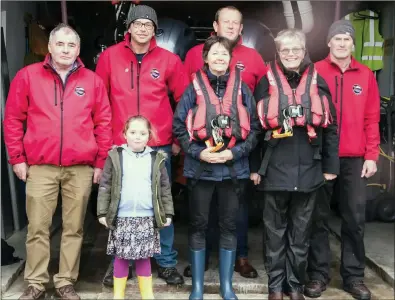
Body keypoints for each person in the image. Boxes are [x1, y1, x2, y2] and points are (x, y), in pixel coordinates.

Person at [3, 23, 112, 300]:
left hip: (80, 167)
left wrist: (101, 162)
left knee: (73, 228)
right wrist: (16, 158)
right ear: (49, 47)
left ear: (78, 49)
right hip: (40, 166)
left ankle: (65, 281)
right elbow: (13, 119)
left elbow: (104, 123)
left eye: (71, 45)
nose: (65, 50)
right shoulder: (28, 76)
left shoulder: (92, 80)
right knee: (37, 226)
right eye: (60, 44)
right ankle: (36, 282)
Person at [95, 4, 188, 286]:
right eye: (138, 24)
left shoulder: (169, 60)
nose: (143, 28)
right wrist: (107, 142)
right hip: (120, 146)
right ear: (129, 28)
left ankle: (166, 262)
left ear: (154, 29)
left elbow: (184, 101)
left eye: (148, 24)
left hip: (157, 145)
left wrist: (175, 139)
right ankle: (120, 261)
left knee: (159, 203)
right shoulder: (110, 57)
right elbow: (99, 102)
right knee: (120, 203)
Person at [251, 29, 339, 300]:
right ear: (278, 53)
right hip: (273, 168)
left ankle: (295, 285)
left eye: (296, 50)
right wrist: (255, 168)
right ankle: (276, 287)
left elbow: (331, 127)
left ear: (304, 51)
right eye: (285, 50)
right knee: (274, 233)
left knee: (301, 234)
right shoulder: (266, 83)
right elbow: (254, 128)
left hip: (309, 169)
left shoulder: (318, 81)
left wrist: (330, 165)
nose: (291, 54)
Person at [182, 5, 267, 279]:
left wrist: (242, 154)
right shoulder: (194, 55)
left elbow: (261, 110)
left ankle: (240, 257)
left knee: (236, 212)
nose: (231, 26)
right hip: (203, 152)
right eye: (225, 22)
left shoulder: (254, 58)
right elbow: (186, 104)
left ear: (241, 28)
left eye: (236, 23)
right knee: (202, 212)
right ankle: (203, 258)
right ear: (215, 25)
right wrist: (196, 149)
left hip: (238, 153)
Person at [173, 35, 260, 300]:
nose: (220, 58)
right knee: (198, 225)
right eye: (215, 53)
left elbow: (255, 129)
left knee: (229, 226)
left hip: (233, 171)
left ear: (230, 59)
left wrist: (233, 153)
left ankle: (226, 287)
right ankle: (197, 288)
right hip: (201, 170)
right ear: (206, 58)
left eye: (225, 54)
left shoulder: (242, 90)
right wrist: (200, 154)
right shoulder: (193, 89)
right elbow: (179, 126)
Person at [306, 20, 380, 300]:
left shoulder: (366, 75)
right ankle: (318, 275)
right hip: (322, 157)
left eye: (346, 39)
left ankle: (354, 277)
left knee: (354, 218)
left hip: (354, 158)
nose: (341, 43)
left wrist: (372, 155)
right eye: (336, 38)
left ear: (352, 43)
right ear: (328, 42)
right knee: (318, 218)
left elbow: (372, 118)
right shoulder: (314, 71)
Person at [97, 115, 174, 299]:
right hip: (122, 216)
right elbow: (106, 185)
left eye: (142, 133)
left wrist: (168, 212)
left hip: (146, 217)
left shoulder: (157, 158)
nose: (137, 137)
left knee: (143, 257)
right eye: (132, 132)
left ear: (149, 136)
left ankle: (147, 295)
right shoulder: (115, 156)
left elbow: (165, 188)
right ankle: (118, 295)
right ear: (124, 134)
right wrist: (102, 211)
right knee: (121, 257)